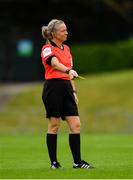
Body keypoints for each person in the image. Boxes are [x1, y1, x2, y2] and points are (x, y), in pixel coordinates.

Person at [41, 19, 95, 169]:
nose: (66, 32)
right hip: (53, 88)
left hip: (66, 87)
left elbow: (70, 74)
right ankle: (54, 163)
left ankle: (77, 162)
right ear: (53, 34)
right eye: (63, 30)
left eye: (66, 30)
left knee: (76, 125)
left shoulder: (67, 49)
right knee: (54, 125)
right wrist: (67, 70)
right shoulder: (47, 48)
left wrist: (74, 91)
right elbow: (54, 64)